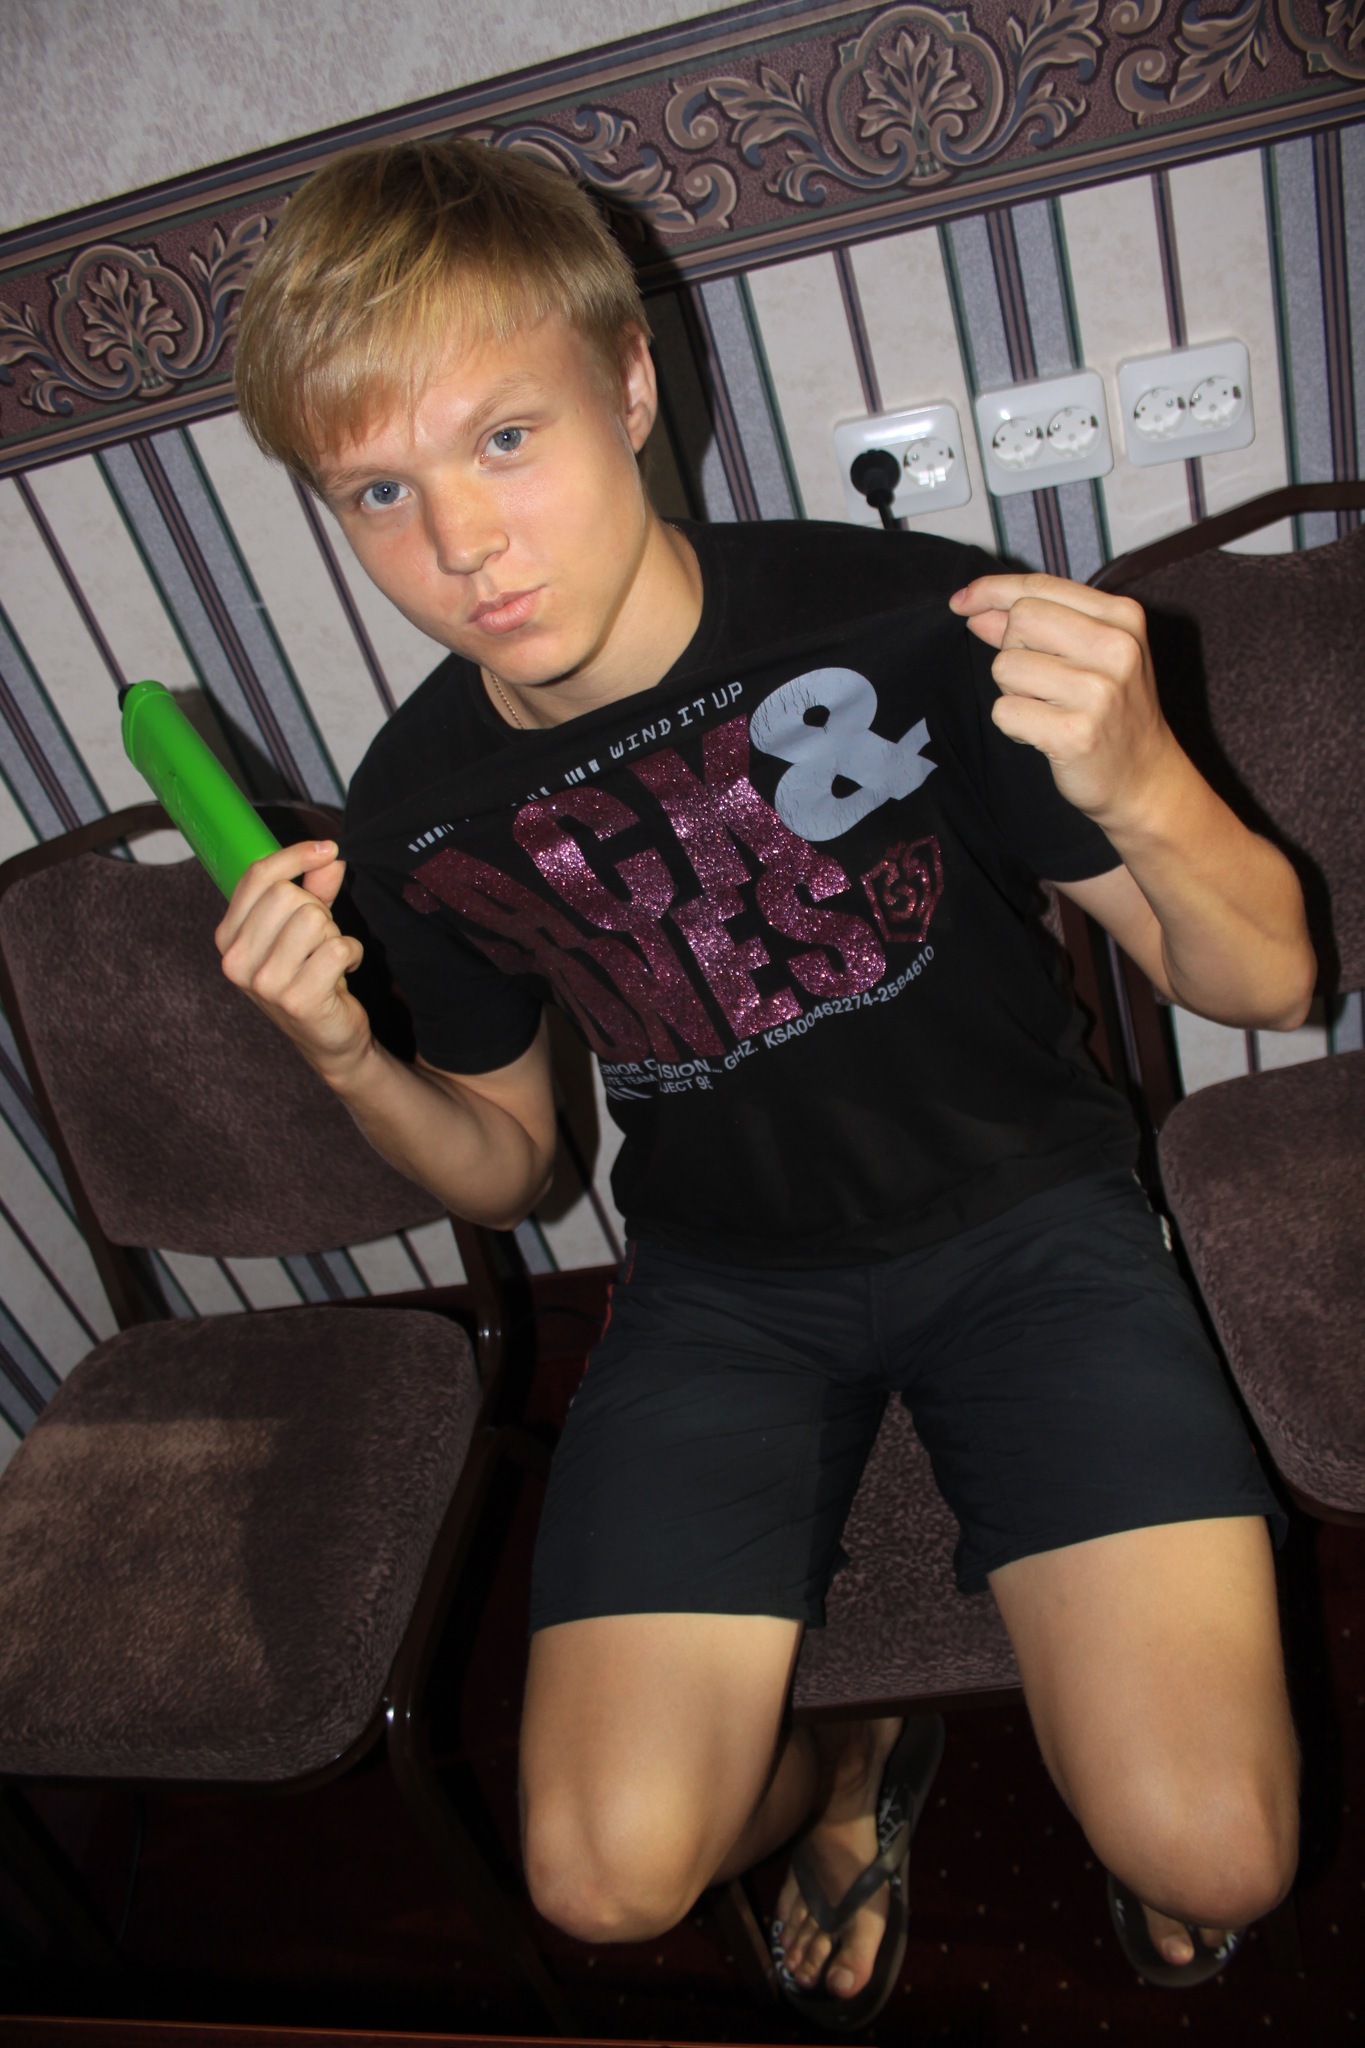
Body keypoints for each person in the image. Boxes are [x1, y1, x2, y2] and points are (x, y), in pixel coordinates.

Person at [221, 136, 1311, 2022]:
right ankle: (843, 1763)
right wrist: (343, 1056)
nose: (462, 546)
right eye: (379, 491)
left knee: (1215, 1852)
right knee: (604, 1879)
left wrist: (1145, 780)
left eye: (505, 439)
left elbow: (1271, 979)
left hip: (1028, 1225)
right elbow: (509, 1168)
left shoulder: (902, 621)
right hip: (724, 1288)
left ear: (630, 385)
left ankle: (1106, 1792)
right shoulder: (414, 812)